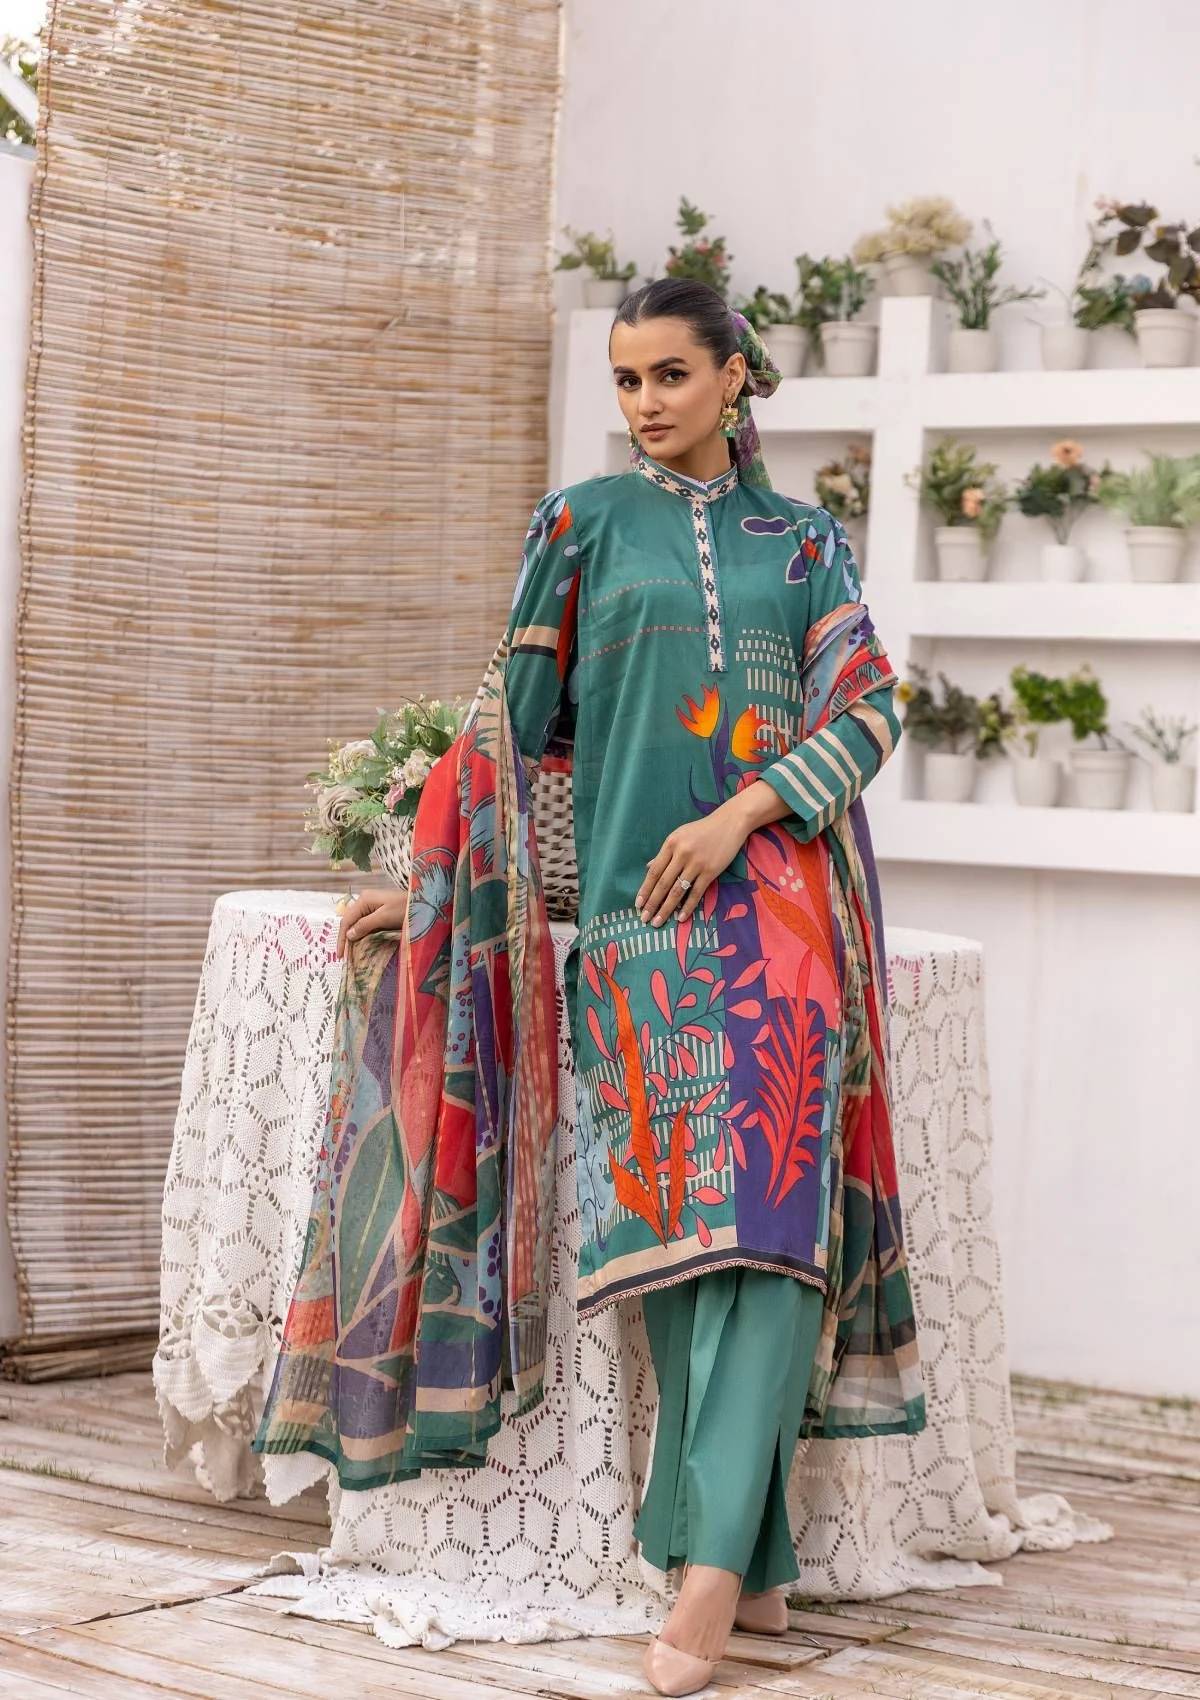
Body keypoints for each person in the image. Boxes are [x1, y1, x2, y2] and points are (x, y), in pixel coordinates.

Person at [252, 279, 926, 1698]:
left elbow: (870, 708)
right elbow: (510, 735)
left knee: (775, 1237)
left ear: (736, 377)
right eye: (627, 380)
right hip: (635, 931)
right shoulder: (580, 526)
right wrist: (440, 889)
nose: (646, 402)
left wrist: (742, 815)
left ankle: (703, 1584)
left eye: (672, 373)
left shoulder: (806, 545)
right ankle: (750, 1560)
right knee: (683, 1249)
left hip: (783, 919)